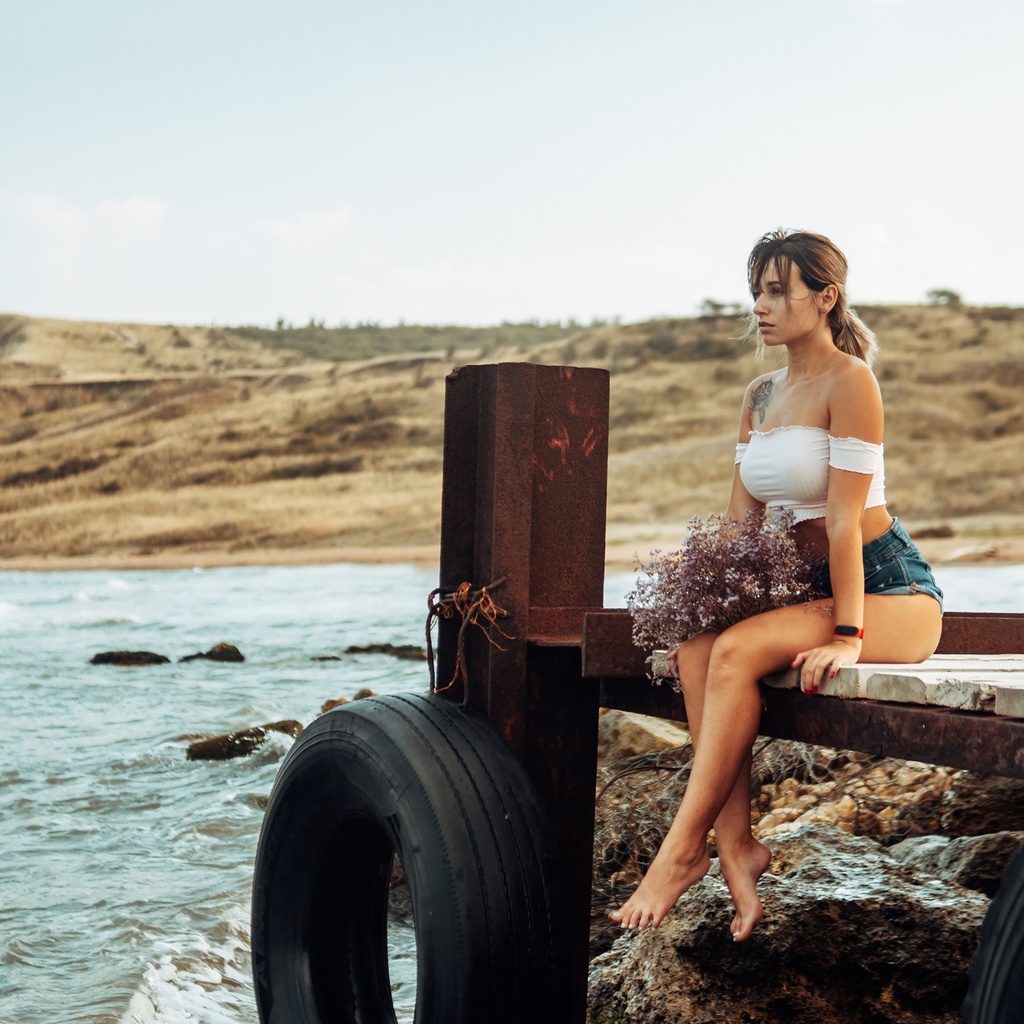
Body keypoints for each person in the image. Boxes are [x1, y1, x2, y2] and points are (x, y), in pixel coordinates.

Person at [610, 228, 944, 942]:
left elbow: (847, 523)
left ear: (825, 299)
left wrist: (851, 638)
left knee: (733, 656)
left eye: (776, 291)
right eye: (756, 291)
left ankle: (679, 851)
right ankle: (736, 847)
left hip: (888, 595)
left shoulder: (851, 381)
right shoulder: (760, 395)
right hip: (807, 593)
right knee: (701, 652)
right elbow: (740, 524)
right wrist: (702, 604)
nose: (760, 307)